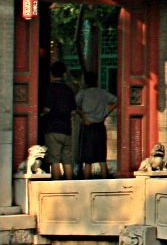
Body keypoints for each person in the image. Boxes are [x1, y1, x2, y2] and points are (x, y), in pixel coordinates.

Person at [38, 44, 78, 177]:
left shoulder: (50, 89)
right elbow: (73, 111)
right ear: (64, 73)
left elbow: (47, 109)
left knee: (54, 159)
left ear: (51, 73)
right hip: (66, 128)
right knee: (67, 159)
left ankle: (56, 183)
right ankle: (69, 183)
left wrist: (42, 114)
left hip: (53, 128)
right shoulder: (68, 89)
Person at [75, 70, 115, 176]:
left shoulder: (83, 93)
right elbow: (116, 101)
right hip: (100, 125)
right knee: (102, 159)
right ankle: (105, 180)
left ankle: (86, 182)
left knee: (87, 160)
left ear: (85, 81)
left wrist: (83, 116)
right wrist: (106, 113)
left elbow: (74, 105)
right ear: (96, 81)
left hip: (88, 126)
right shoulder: (103, 93)